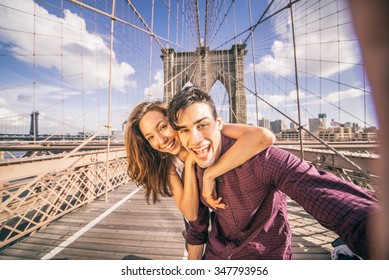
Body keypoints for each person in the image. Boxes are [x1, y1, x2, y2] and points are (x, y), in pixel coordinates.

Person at [167, 86, 380, 260]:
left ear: (219, 123)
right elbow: (196, 228)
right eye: (184, 130)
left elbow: (321, 192)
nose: (194, 140)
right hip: (217, 257)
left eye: (202, 125)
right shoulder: (195, 167)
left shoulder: (261, 159)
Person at [125, 100, 275, 225]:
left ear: (174, 121)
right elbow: (190, 214)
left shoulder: (208, 131)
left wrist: (210, 174)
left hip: (239, 215)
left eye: (163, 127)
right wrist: (190, 164)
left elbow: (264, 137)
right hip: (200, 227)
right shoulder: (169, 164)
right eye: (150, 137)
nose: (161, 140)